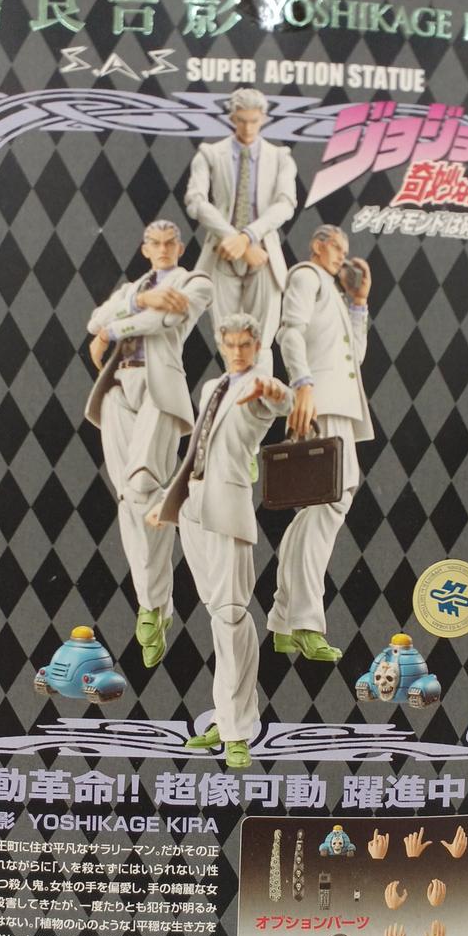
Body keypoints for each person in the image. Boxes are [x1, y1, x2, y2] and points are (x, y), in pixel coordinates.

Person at [148, 313, 293, 770]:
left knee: (232, 615)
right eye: (229, 343)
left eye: (244, 344)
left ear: (256, 346)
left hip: (228, 508)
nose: (236, 351)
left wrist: (272, 389)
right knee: (218, 613)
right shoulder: (212, 386)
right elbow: (198, 449)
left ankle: (236, 731)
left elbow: (283, 401)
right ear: (220, 343)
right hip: (194, 503)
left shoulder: (259, 388)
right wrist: (169, 500)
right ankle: (227, 715)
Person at [85, 219, 212, 667]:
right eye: (154, 243)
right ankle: (152, 604)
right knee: (130, 498)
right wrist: (139, 300)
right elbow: (93, 319)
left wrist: (111, 331)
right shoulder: (134, 288)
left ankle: (156, 602)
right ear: (144, 248)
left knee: (143, 486)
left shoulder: (195, 282)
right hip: (118, 389)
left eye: (169, 242)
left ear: (180, 245)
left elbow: (164, 321)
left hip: (160, 390)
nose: (162, 249)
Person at [267, 224, 374, 662]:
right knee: (332, 499)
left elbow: (355, 358)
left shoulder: (331, 290)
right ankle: (306, 622)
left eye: (347, 249)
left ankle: (282, 620)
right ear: (318, 245)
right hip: (320, 401)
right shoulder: (306, 276)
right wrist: (303, 384)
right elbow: (289, 331)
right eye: (337, 247)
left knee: (317, 509)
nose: (342, 255)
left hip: (336, 402)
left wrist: (359, 302)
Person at [184, 88, 297, 372]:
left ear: (264, 118)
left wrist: (248, 237)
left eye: (254, 121)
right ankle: (232, 394)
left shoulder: (280, 157)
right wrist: (231, 236)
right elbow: (195, 201)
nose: (248, 128)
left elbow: (286, 204)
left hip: (263, 254)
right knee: (227, 339)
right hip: (222, 253)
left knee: (262, 340)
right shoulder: (210, 153)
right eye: (242, 120)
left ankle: (260, 396)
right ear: (232, 118)